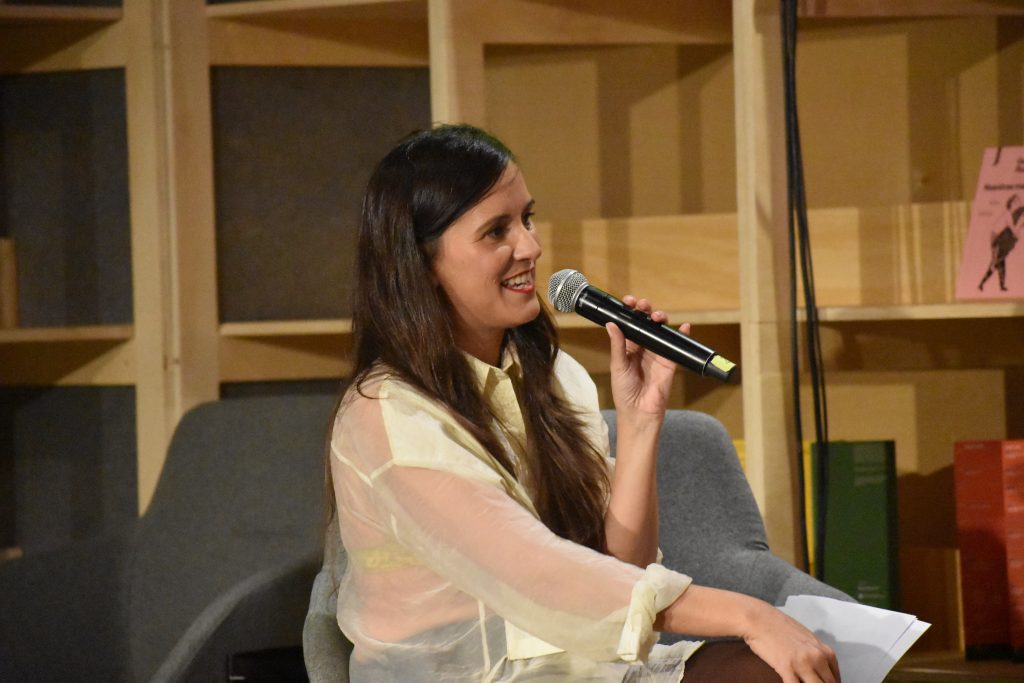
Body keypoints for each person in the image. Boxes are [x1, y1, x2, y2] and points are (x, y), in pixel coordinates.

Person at [326, 123, 840, 682]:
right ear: (421, 263)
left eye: (526, 219)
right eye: (496, 231)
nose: (531, 247)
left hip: (588, 670)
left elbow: (619, 569)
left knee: (786, 671)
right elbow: (541, 575)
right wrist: (749, 614)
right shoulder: (387, 415)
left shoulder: (554, 376)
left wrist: (641, 419)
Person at [978, 193, 1024, 292]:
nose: (1019, 203)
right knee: (995, 263)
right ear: (1012, 203)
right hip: (996, 239)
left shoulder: (1009, 214)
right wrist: (1021, 223)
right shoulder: (1008, 215)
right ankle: (982, 284)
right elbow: (1014, 230)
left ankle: (999, 285)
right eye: (1017, 201)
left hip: (997, 238)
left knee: (1001, 263)